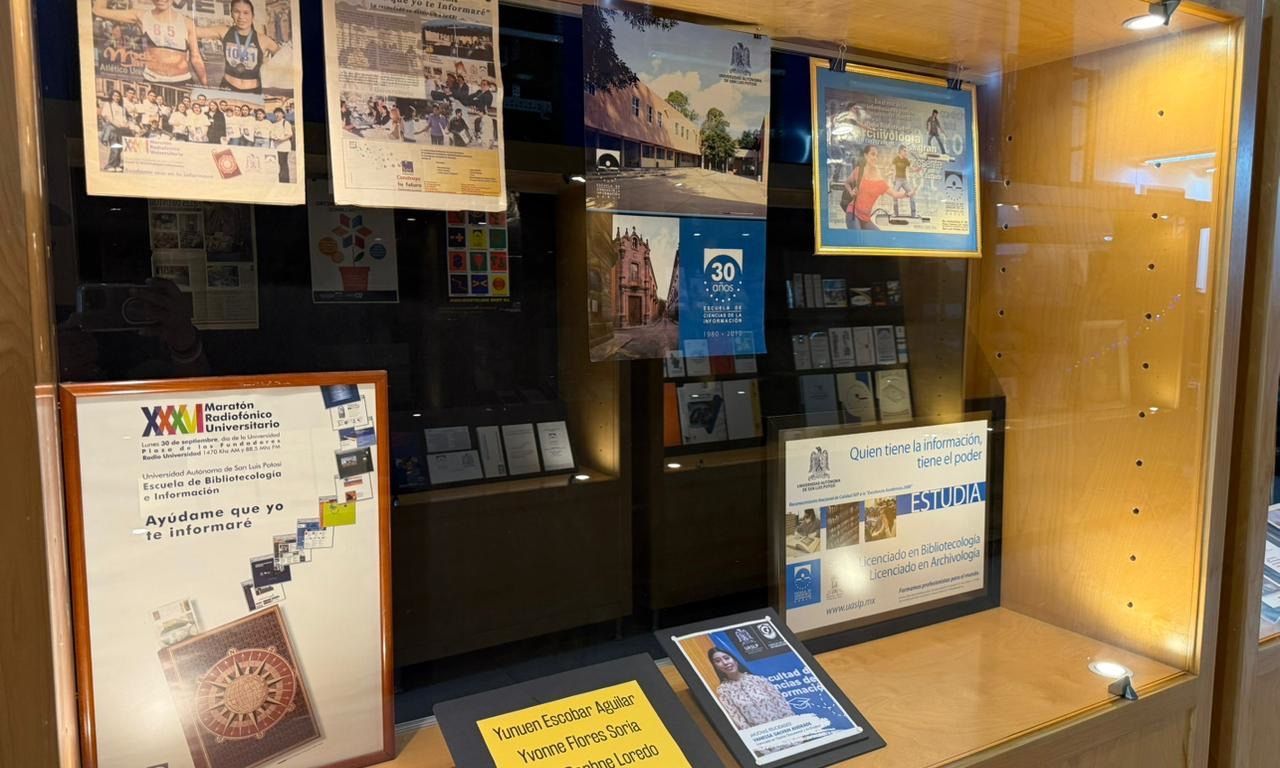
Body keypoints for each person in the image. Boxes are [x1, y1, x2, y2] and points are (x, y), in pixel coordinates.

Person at [92, 0, 207, 86]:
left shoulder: (187, 23)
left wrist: (205, 86)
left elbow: (196, 57)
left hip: (182, 80)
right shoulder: (141, 16)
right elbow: (98, 10)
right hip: (152, 80)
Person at [196, 0, 280, 94]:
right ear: (231, 14)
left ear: (252, 16)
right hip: (227, 88)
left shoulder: (263, 39)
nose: (241, 17)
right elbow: (196, 32)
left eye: (246, 13)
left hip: (253, 92)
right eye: (237, 11)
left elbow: (286, 58)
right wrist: (182, 19)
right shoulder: (224, 31)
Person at [707, 647, 793, 730]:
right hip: (762, 736)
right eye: (718, 661)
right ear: (716, 666)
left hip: (785, 730)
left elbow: (782, 706)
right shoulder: (723, 691)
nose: (725, 662)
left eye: (726, 658)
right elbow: (738, 720)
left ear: (735, 660)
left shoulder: (758, 680)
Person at [846, 145, 911, 231]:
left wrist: (907, 194)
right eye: (872, 154)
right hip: (853, 213)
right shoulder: (859, 171)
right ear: (866, 155)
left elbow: (895, 194)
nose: (875, 158)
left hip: (865, 219)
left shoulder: (880, 183)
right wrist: (851, 192)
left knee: (879, 235)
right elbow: (847, 183)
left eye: (876, 156)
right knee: (858, 237)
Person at [99, 90, 130, 172]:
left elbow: (124, 119)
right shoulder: (108, 105)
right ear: (112, 96)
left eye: (118, 96)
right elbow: (107, 117)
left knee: (120, 148)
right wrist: (115, 124)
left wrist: (126, 124)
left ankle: (117, 164)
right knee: (115, 148)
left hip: (121, 130)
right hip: (113, 129)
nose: (117, 97)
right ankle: (110, 165)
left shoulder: (122, 108)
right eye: (115, 95)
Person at [891, 145, 916, 217]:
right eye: (904, 151)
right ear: (900, 151)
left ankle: (913, 214)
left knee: (912, 194)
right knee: (894, 195)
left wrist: (917, 169)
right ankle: (896, 213)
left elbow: (911, 169)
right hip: (897, 180)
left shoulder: (906, 160)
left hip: (904, 180)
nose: (906, 152)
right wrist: (893, 180)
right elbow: (893, 170)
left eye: (906, 151)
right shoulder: (896, 159)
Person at [270, 107, 292, 181]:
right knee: (278, 163)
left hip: (284, 147)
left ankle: (285, 180)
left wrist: (281, 139)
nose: (277, 114)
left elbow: (289, 134)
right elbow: (272, 134)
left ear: (283, 114)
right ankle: (280, 178)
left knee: (283, 163)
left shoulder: (285, 123)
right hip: (276, 147)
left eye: (279, 113)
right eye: (276, 113)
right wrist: (273, 138)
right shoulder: (274, 124)